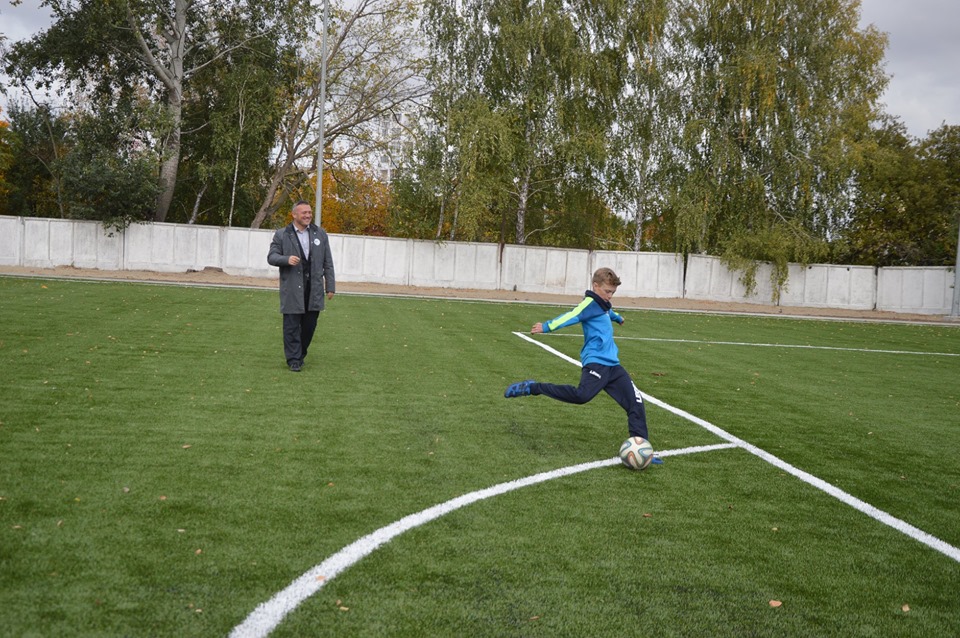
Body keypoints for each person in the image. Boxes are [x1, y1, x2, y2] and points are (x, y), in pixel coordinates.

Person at [505, 267, 656, 456]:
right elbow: (572, 315)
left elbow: (608, 311)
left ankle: (643, 450)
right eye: (607, 291)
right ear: (595, 286)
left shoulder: (602, 304)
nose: (610, 296)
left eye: (613, 293)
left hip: (613, 365)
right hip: (596, 362)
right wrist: (547, 326)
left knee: (636, 401)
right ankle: (534, 387)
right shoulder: (590, 304)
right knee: (581, 396)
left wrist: (617, 318)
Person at [267, 200, 336, 371]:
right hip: (292, 288)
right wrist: (286, 259)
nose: (308, 215)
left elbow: (328, 262)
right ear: (294, 215)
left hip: (314, 289)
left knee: (309, 326)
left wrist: (330, 286)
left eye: (309, 212)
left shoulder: (320, 234)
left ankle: (300, 353)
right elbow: (271, 257)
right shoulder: (282, 235)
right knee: (291, 326)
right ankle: (294, 360)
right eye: (304, 212)